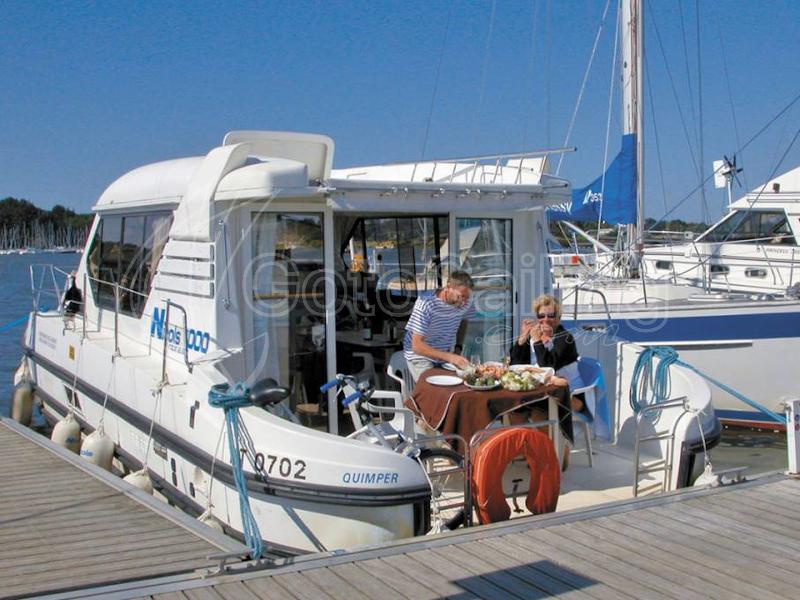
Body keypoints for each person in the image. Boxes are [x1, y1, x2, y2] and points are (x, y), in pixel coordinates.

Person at [509, 294, 587, 414]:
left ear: (558, 317)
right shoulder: (534, 336)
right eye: (541, 316)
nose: (545, 319)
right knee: (514, 411)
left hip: (570, 394)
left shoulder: (565, 338)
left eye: (551, 315)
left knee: (534, 411)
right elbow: (515, 363)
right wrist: (522, 338)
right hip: (544, 391)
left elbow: (548, 366)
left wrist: (537, 342)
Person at [403, 271, 476, 382]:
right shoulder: (426, 303)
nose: (464, 303)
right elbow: (416, 345)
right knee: (433, 387)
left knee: (461, 383)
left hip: (444, 355)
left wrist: (458, 348)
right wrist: (450, 357)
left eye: (467, 298)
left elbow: (464, 321)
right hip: (420, 356)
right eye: (460, 297)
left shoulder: (467, 301)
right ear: (448, 287)